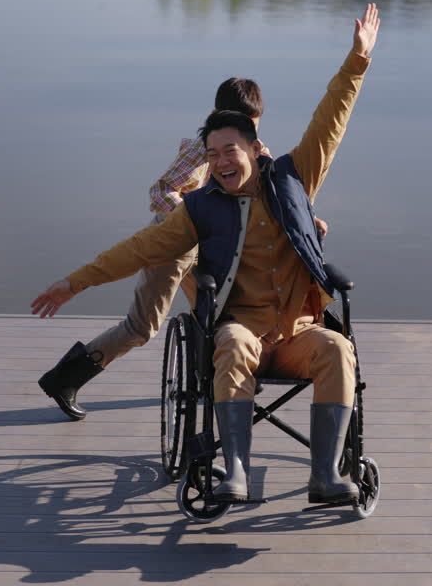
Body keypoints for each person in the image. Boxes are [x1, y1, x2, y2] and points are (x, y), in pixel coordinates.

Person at [32, 3, 380, 505]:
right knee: (168, 329)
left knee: (338, 349)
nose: (219, 160)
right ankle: (232, 468)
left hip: (294, 326)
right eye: (213, 152)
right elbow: (142, 242)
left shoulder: (288, 175)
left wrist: (356, 62)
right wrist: (75, 281)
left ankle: (325, 475)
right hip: (196, 261)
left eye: (231, 149)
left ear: (255, 142)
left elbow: (331, 121)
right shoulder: (203, 195)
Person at [36, 79, 330, 421]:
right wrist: (193, 214)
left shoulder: (254, 151)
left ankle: (233, 369)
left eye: (251, 125)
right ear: (216, 114)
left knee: (219, 311)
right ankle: (66, 377)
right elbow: (160, 191)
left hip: (216, 249)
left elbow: (277, 202)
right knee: (142, 327)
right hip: (174, 245)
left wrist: (310, 221)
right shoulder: (202, 149)